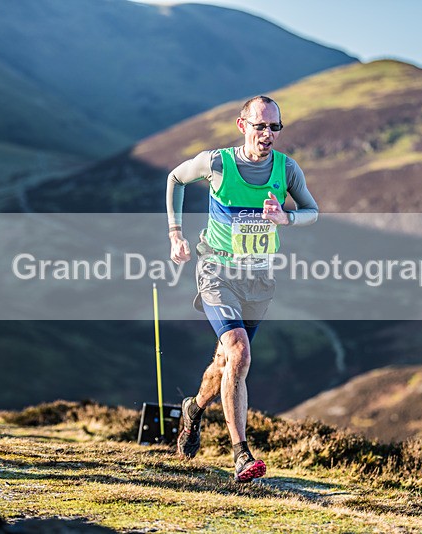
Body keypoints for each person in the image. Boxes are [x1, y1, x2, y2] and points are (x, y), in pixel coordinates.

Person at [166, 95, 318, 482]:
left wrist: (287, 217)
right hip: (217, 270)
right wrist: (175, 234)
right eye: (260, 126)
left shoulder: (287, 169)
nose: (268, 134)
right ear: (242, 125)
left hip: (259, 278)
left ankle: (193, 409)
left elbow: (312, 212)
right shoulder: (217, 163)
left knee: (226, 362)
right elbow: (175, 179)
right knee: (240, 353)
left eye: (275, 127)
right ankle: (241, 455)